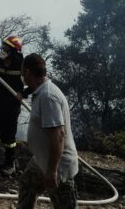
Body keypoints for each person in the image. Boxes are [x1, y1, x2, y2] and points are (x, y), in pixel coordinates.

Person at [17, 53, 79, 209]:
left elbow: (58, 136)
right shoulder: (41, 90)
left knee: (65, 205)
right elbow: (32, 88)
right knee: (27, 185)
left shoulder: (48, 96)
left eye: (22, 73)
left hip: (57, 164)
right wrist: (24, 93)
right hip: (41, 160)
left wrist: (52, 171)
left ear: (27, 73)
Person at [0, 36, 31, 176]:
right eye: (3, 47)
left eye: (6, 48)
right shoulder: (0, 61)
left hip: (13, 105)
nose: (3, 50)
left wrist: (23, 93)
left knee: (10, 136)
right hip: (0, 103)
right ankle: (10, 161)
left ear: (14, 50)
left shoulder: (22, 65)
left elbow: (33, 84)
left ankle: (10, 164)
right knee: (3, 134)